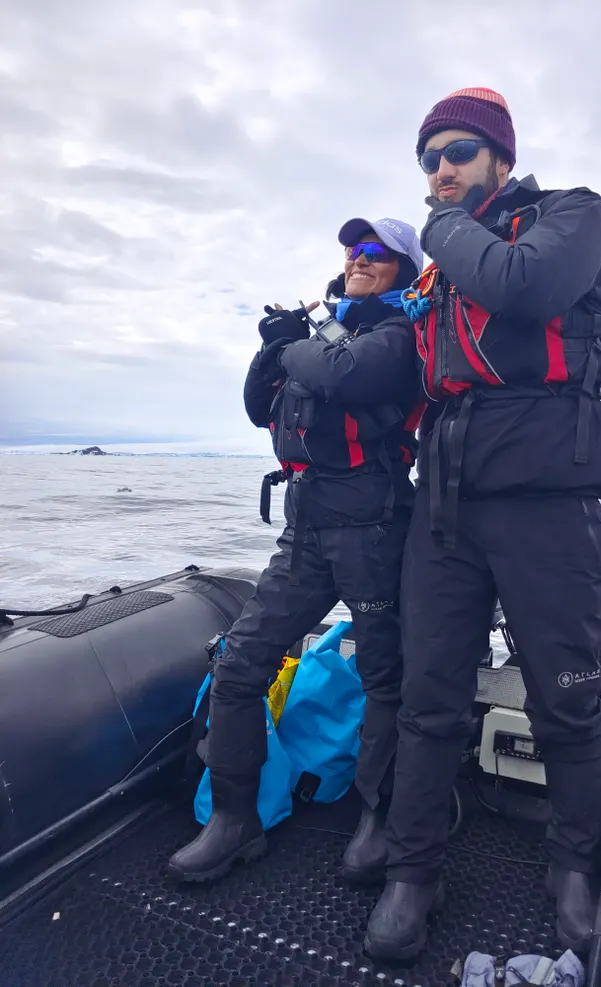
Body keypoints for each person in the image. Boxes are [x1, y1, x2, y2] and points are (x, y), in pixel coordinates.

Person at [364, 87, 601, 961]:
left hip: (548, 504)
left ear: (501, 162)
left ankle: (574, 864)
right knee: (429, 696)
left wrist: (438, 229)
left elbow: (529, 285)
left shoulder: (571, 217)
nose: (439, 172)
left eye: (458, 153)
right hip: (444, 512)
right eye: (429, 158)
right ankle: (412, 870)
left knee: (567, 699)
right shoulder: (437, 279)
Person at [169, 216, 424, 884]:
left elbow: (344, 371)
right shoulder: (331, 331)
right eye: (350, 250)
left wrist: (295, 343)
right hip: (305, 534)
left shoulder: (400, 334)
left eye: (375, 252)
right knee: (241, 664)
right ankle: (233, 818)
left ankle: (376, 823)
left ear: (403, 267)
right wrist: (276, 345)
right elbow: (262, 405)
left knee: (385, 680)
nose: (357, 258)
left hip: (373, 532)